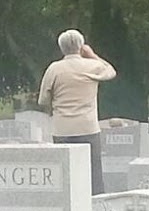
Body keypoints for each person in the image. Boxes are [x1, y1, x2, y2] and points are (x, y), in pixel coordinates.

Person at [37, 29, 116, 194]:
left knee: (66, 176)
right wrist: (92, 54)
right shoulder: (93, 66)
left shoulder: (54, 69)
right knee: (93, 175)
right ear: (81, 46)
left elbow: (43, 100)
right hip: (88, 127)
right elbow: (110, 71)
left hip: (63, 128)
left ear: (61, 48)